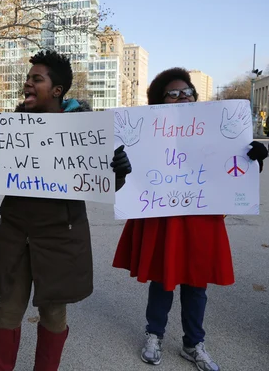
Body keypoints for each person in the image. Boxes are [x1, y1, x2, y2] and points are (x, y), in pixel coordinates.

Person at [0, 50, 132, 370]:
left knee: (53, 314)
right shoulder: (15, 127)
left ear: (57, 90)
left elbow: (102, 183)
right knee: (7, 310)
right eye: (27, 78)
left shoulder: (86, 131)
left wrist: (118, 171)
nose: (27, 84)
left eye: (36, 79)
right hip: (15, 233)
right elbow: (5, 178)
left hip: (62, 236)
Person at [112, 68, 268, 371]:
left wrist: (251, 156)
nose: (183, 96)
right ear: (160, 101)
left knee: (197, 283)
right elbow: (127, 172)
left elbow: (231, 171)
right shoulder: (144, 134)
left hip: (200, 218)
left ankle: (193, 343)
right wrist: (120, 163)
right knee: (162, 280)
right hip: (162, 217)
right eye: (173, 93)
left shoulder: (216, 131)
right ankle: (154, 335)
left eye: (187, 92)